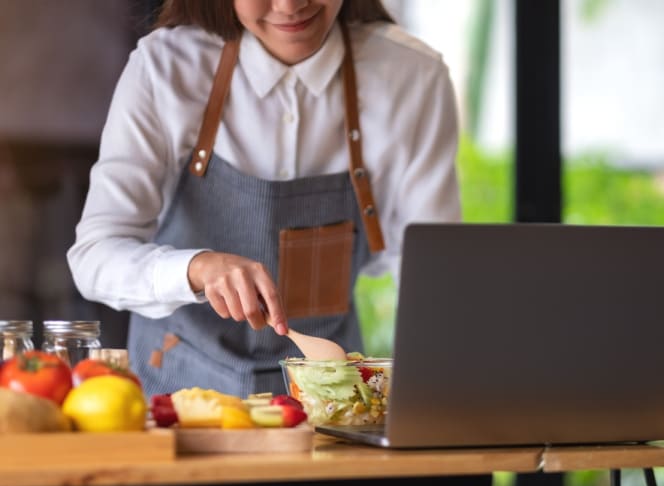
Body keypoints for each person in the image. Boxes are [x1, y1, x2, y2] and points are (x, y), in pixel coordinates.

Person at [67, 0, 461, 399]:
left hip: (329, 406)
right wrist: (197, 268)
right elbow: (95, 257)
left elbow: (434, 280)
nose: (290, 6)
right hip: (176, 400)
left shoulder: (413, 77)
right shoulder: (166, 67)